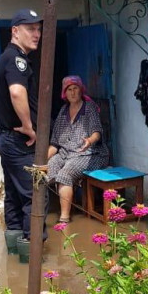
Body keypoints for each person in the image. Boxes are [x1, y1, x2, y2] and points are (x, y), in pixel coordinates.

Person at [0, 8, 43, 248]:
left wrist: (5, 119)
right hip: (20, 141)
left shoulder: (4, 57)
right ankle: (33, 256)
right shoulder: (16, 59)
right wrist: (28, 127)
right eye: (30, 29)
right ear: (15, 31)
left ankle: (15, 251)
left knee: (13, 192)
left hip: (7, 138)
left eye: (38, 29)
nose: (37, 33)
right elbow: (16, 92)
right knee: (36, 194)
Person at [47, 75, 109, 223]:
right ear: (65, 93)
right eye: (69, 89)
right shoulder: (63, 111)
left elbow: (97, 132)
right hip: (66, 153)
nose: (73, 93)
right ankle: (45, 210)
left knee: (65, 174)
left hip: (91, 154)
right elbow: (55, 143)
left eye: (75, 89)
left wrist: (89, 141)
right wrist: (42, 160)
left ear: (81, 91)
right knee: (48, 169)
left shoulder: (89, 108)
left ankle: (64, 218)